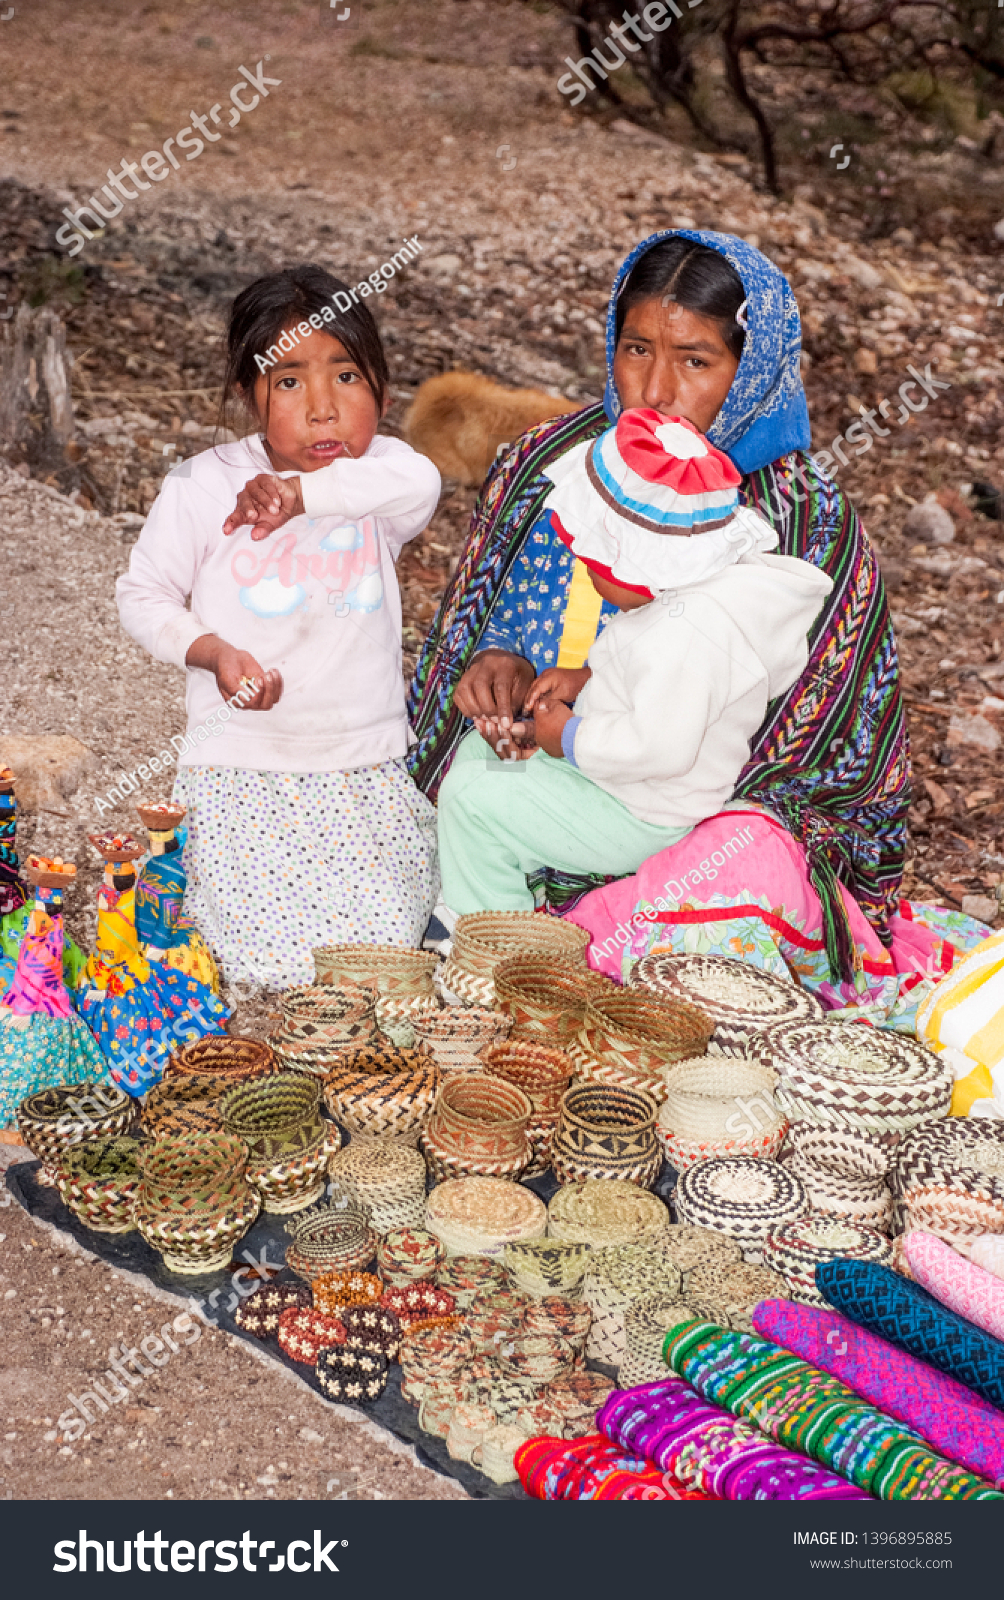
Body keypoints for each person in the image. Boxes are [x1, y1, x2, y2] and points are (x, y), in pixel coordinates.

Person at [408, 231, 911, 992]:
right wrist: (499, 657)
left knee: (748, 866)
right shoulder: (553, 462)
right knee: (473, 770)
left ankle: (529, 947)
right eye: (637, 348)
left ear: (753, 369)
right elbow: (493, 614)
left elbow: (826, 751)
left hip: (683, 812)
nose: (654, 391)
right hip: (570, 761)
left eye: (696, 360)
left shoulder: (809, 520)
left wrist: (592, 743)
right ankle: (505, 916)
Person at [117, 265, 441, 988]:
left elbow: (423, 482)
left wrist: (301, 495)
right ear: (248, 393)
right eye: (289, 381)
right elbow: (143, 595)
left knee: (378, 949)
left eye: (347, 377)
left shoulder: (380, 479)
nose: (323, 409)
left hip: (359, 765)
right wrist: (212, 651)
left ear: (382, 389)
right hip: (241, 764)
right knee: (245, 954)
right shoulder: (202, 484)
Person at [438, 409, 831, 915]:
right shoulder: (682, 598)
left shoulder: (687, 633)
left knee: (473, 801)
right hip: (624, 781)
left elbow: (658, 746)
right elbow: (651, 682)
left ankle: (490, 943)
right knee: (482, 752)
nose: (586, 570)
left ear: (636, 563)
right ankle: (498, 882)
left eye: (595, 565)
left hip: (644, 810)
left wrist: (569, 737)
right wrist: (586, 680)